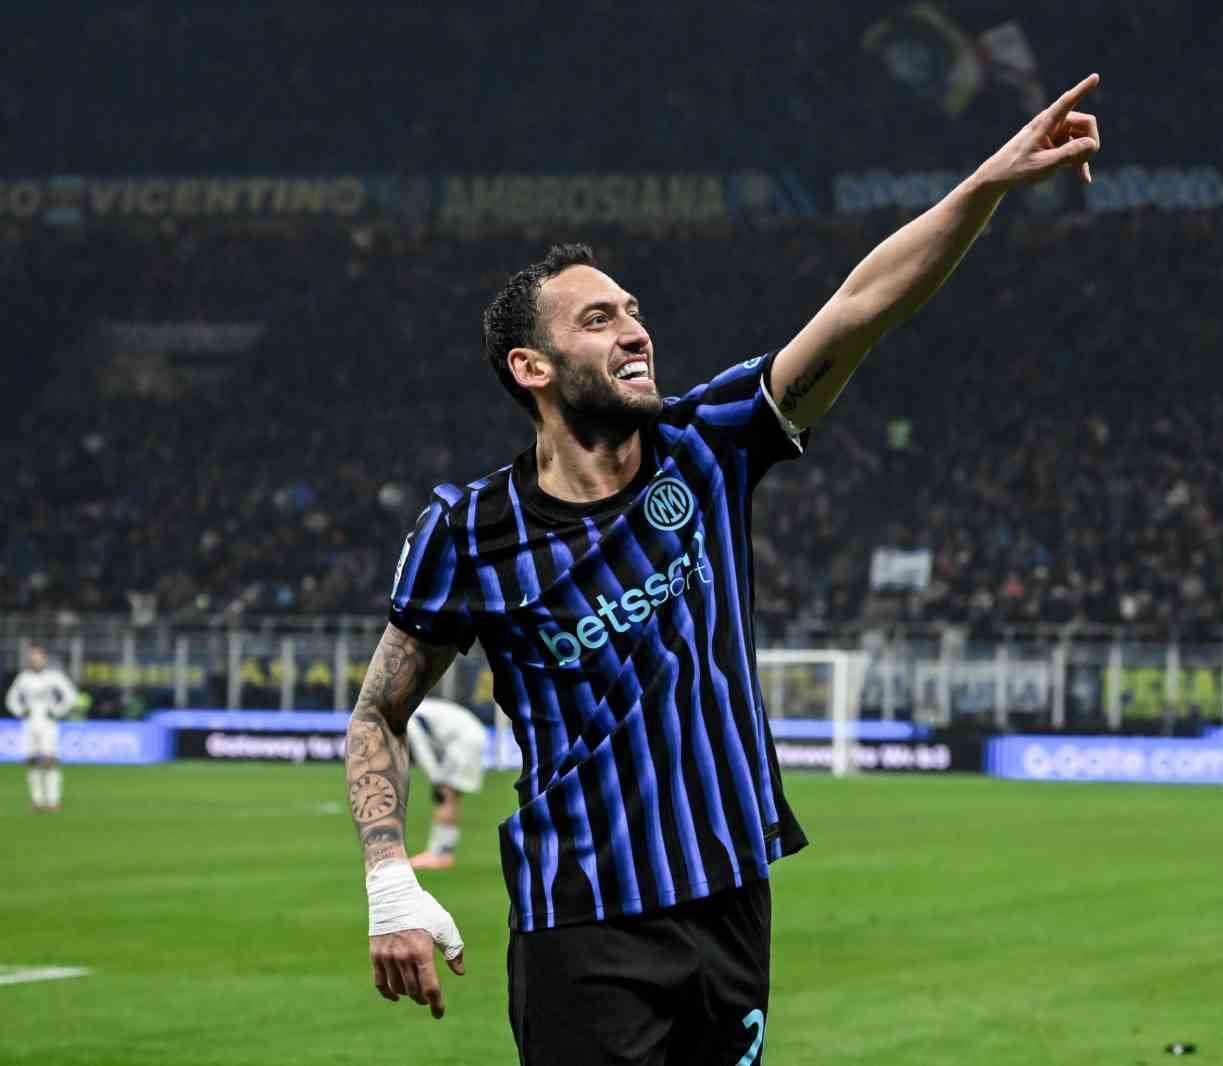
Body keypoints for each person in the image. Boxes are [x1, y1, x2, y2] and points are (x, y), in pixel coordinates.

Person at [342, 73, 1101, 1061]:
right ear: (532, 368)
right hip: (585, 923)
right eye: (598, 319)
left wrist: (987, 182)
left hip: (733, 898)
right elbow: (378, 711)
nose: (635, 329)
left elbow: (860, 305)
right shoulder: (470, 530)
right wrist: (389, 880)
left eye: (633, 311)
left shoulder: (707, 445)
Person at [405, 696, 490, 870]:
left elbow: (423, 751)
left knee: (446, 795)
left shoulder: (409, 717)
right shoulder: (417, 707)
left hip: (464, 741)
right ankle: (444, 852)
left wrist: (436, 779)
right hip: (472, 735)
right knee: (452, 797)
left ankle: (438, 854)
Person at [6, 642, 80, 811]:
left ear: (44, 658)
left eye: (38, 656)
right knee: (32, 761)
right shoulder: (23, 678)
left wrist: (58, 711)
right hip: (30, 723)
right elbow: (11, 699)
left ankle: (53, 800)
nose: (35, 659)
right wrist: (21, 711)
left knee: (50, 760)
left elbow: (71, 694)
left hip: (48, 723)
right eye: (32, 657)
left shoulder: (53, 677)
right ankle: (37, 801)